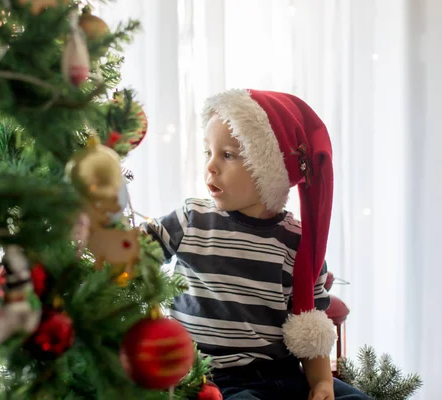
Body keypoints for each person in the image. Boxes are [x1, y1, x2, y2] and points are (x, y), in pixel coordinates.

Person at [143, 89, 370, 399]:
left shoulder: (297, 241)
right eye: (208, 152)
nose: (211, 166)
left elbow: (310, 327)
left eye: (227, 154)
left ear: (269, 170)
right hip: (211, 378)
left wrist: (322, 383)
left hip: (284, 373)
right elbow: (135, 252)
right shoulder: (191, 219)